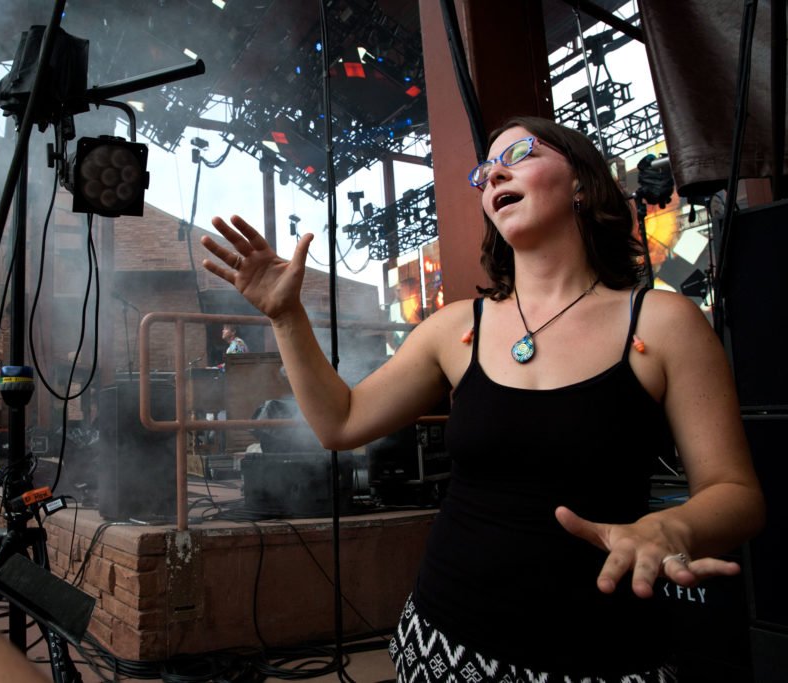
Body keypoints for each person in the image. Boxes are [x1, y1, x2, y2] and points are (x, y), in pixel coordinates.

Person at [201, 116, 765, 681]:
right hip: (442, 642)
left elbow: (737, 494)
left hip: (601, 655)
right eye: (485, 171)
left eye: (519, 155)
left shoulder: (663, 323)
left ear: (582, 181)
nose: (494, 174)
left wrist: (670, 528)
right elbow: (340, 423)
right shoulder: (456, 328)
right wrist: (286, 317)